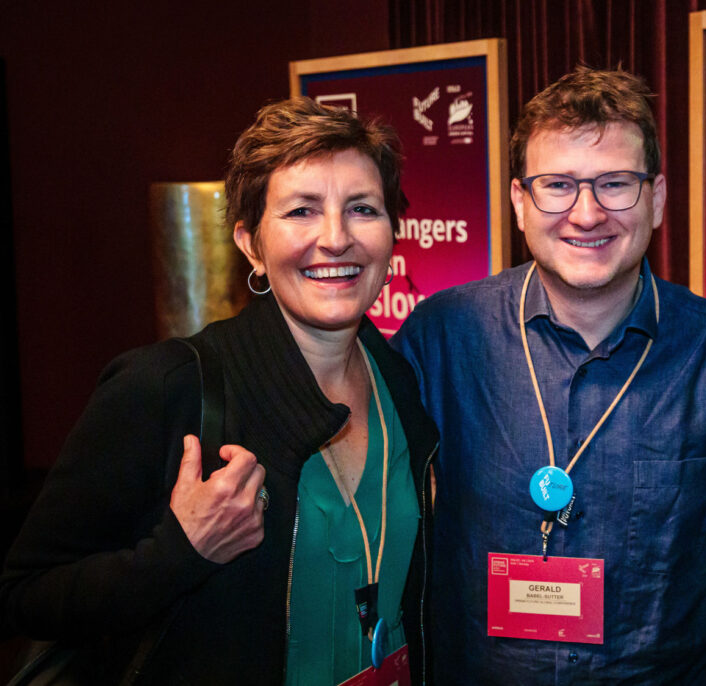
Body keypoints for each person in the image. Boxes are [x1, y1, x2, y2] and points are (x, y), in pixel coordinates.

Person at [0, 98, 437, 685]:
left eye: (362, 208)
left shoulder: (401, 379)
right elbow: (26, 593)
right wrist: (180, 551)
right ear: (250, 243)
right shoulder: (165, 387)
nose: (336, 239)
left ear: (391, 233)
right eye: (301, 211)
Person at [392, 66, 706, 684]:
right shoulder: (441, 337)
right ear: (519, 202)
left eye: (615, 184)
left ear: (658, 199)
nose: (587, 213)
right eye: (557, 185)